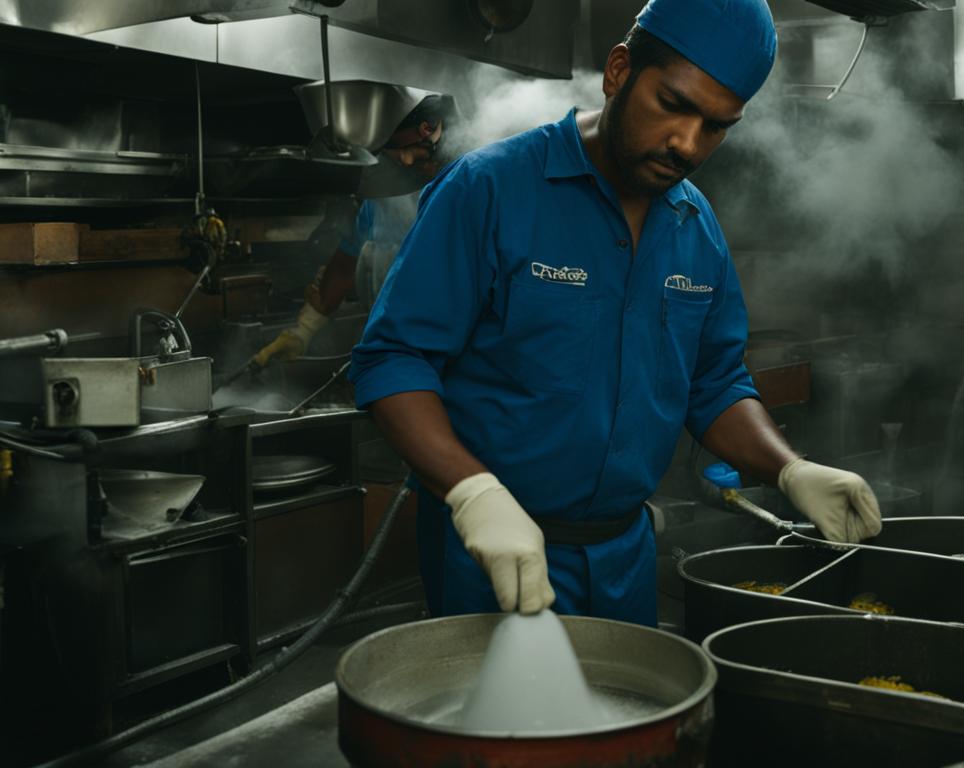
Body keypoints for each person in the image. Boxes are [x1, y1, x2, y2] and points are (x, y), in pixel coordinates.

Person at [350, 0, 883, 626]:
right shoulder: (488, 190)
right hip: (494, 555)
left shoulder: (696, 226)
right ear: (619, 71)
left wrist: (790, 470)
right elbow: (393, 362)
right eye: (674, 105)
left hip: (626, 563)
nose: (687, 143)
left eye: (715, 126)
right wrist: (473, 495)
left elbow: (713, 385)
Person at [251, 94, 455, 368]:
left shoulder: (463, 187)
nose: (403, 161)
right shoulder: (386, 195)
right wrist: (304, 330)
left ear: (428, 129)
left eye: (402, 145)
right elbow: (346, 264)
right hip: (399, 348)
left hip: (450, 346)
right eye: (390, 150)